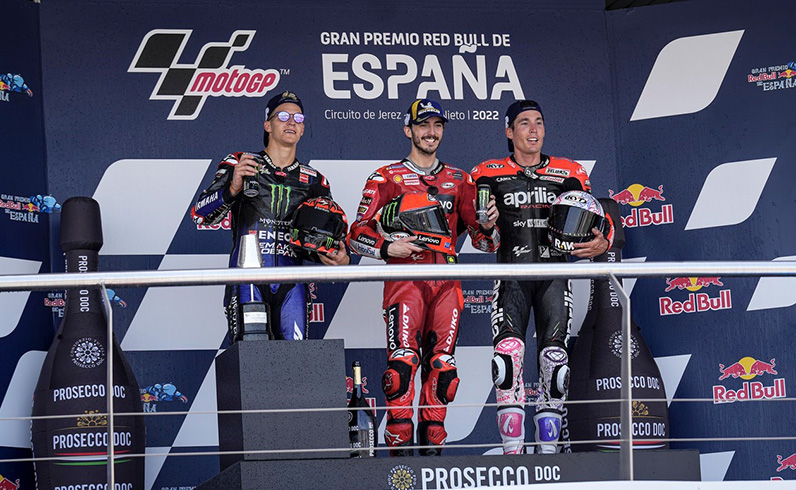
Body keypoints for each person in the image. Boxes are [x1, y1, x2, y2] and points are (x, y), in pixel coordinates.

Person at [348, 99, 500, 456]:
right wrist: (388, 248)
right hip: (406, 280)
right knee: (401, 369)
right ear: (409, 130)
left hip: (447, 281)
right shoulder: (386, 177)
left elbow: (486, 243)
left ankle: (433, 463)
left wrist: (489, 226)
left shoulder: (461, 180)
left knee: (443, 372)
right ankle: (399, 465)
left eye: (437, 125)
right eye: (423, 125)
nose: (431, 132)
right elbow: (356, 235)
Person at [470, 100, 613, 455]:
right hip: (511, 276)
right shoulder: (487, 173)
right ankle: (512, 453)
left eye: (538, 122)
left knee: (555, 362)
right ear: (509, 131)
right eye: (524, 123)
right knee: (507, 358)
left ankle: (549, 455)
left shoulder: (570, 172)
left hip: (555, 277)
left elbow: (598, 217)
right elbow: (481, 240)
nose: (533, 129)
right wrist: (484, 228)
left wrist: (604, 240)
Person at [192, 91, 349, 342]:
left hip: (293, 283)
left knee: (296, 360)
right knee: (252, 358)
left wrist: (338, 258)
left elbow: (322, 242)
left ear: (303, 129)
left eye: (298, 118)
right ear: (268, 125)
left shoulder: (316, 181)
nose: (292, 122)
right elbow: (200, 215)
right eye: (283, 116)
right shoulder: (241, 163)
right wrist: (232, 188)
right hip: (247, 279)